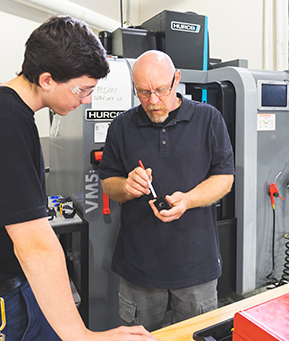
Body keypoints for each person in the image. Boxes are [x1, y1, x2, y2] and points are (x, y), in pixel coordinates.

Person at [0, 15, 157, 341]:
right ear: (48, 79)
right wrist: (84, 336)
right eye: (82, 90)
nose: (87, 101)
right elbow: (35, 246)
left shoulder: (2, 109)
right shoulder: (1, 119)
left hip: (16, 286)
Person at [98, 50, 235, 332]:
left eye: (161, 90)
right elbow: (108, 181)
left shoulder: (209, 119)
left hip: (196, 266)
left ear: (177, 80)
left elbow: (225, 178)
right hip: (139, 268)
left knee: (196, 336)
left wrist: (188, 200)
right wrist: (126, 186)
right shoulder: (121, 127)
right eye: (143, 93)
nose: (154, 101)